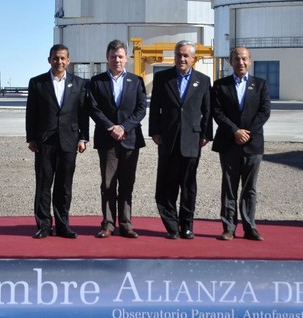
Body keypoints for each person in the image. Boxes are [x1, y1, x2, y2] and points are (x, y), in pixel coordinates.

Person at [149, 40, 213, 239]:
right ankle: (171, 224)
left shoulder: (202, 80)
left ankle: (187, 226)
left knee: (188, 186)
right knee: (166, 186)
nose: (182, 59)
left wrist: (205, 134)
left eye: (186, 55)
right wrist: (155, 132)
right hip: (168, 139)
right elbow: (155, 109)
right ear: (174, 57)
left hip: (192, 140)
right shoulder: (162, 79)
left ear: (193, 59)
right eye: (179, 55)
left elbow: (207, 111)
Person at [25, 44, 89, 239]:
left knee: (64, 185)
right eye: (55, 58)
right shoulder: (37, 83)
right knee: (44, 184)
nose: (59, 62)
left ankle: (63, 225)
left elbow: (83, 113)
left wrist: (83, 137)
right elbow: (31, 113)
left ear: (68, 61)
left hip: (69, 141)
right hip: (45, 142)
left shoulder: (79, 84)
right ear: (49, 60)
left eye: (62, 58)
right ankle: (44, 225)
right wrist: (32, 138)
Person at [87, 40, 147, 238]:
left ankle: (126, 223)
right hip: (107, 140)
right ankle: (108, 224)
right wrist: (110, 127)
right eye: (113, 56)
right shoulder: (96, 82)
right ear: (107, 58)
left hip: (130, 140)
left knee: (127, 183)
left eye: (120, 56)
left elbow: (141, 109)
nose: (117, 60)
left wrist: (124, 127)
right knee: (108, 184)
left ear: (127, 58)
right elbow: (93, 108)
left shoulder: (136, 81)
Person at [211, 46, 271, 241]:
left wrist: (247, 133)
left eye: (244, 59)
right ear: (231, 62)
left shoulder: (260, 85)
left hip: (253, 145)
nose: (241, 62)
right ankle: (228, 227)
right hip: (229, 143)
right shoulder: (220, 85)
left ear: (250, 61)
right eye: (237, 59)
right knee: (229, 186)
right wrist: (234, 131)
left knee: (249, 188)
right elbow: (217, 112)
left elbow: (264, 112)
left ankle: (249, 227)